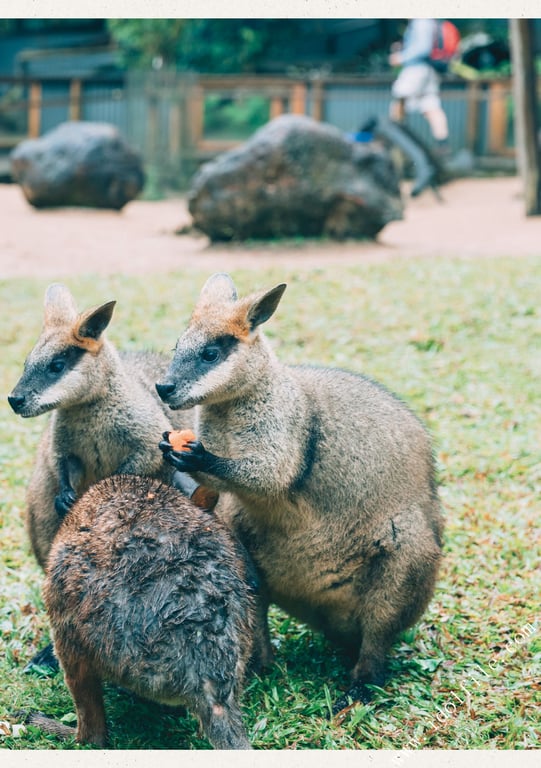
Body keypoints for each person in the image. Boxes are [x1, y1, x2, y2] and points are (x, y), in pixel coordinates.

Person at [389, 19, 449, 153]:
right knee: (431, 106)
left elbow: (423, 48)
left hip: (416, 69)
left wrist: (401, 57)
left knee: (399, 100)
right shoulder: (429, 21)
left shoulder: (420, 21)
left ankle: (394, 143)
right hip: (430, 70)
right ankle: (442, 146)